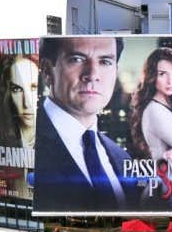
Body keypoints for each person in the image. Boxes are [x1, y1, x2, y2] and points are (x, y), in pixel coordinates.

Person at [34, 36, 137, 209]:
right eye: (77, 59)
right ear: (46, 71)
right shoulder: (26, 145)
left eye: (105, 62)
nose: (93, 75)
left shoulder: (122, 158)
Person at [130, 47, 172, 165]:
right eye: (162, 74)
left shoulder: (171, 105)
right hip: (171, 181)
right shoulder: (155, 111)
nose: (170, 80)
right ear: (152, 77)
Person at [0, 53, 40, 196]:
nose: (27, 102)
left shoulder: (58, 142)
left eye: (34, 87)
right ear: (6, 93)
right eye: (17, 89)